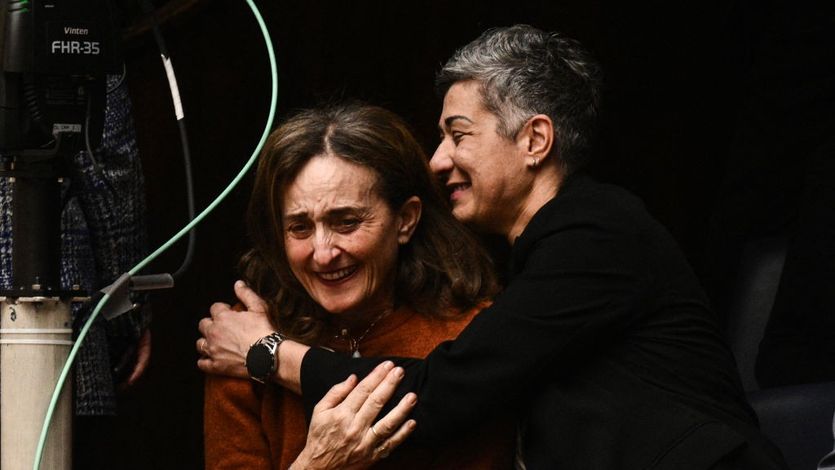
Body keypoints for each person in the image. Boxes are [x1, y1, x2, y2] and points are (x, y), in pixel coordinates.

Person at [198, 25, 788, 469]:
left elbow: (440, 392)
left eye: (458, 135)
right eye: (299, 228)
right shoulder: (546, 254)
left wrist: (266, 352)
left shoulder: (594, 233)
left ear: (534, 139)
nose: (437, 161)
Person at [200, 103, 514, 469]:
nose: (322, 253)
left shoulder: (469, 334)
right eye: (299, 227)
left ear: (405, 221)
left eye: (346, 222)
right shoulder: (240, 341)